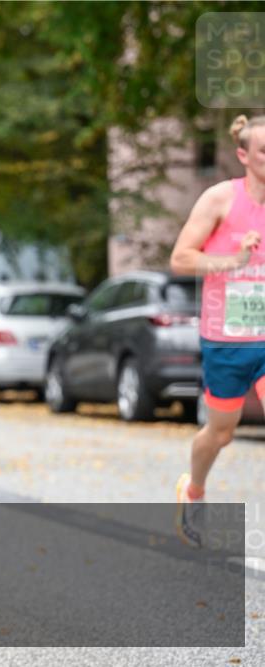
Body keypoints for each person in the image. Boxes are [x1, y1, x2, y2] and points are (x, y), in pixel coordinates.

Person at [170, 114, 265, 548]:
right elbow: (181, 259)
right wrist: (232, 262)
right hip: (226, 338)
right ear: (244, 155)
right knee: (221, 431)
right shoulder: (220, 199)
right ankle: (194, 489)